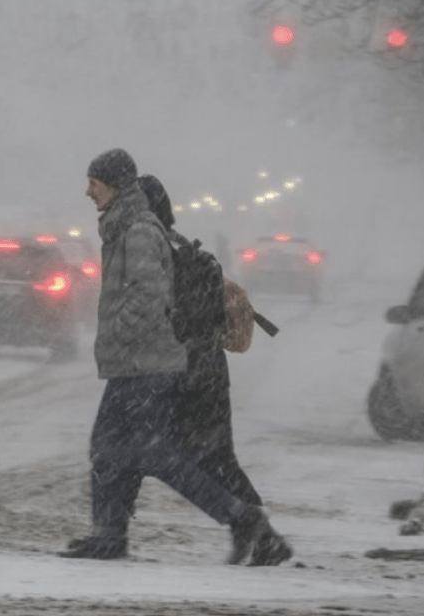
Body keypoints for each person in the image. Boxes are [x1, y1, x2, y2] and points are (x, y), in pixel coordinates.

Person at [61, 148, 279, 562]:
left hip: (148, 364)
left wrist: (118, 337)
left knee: (153, 454)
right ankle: (109, 535)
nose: (88, 191)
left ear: (115, 185)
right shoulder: (123, 226)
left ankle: (243, 520)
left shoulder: (139, 230)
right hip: (137, 363)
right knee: (111, 448)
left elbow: (147, 298)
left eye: (94, 182)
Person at [131, 174, 293, 566]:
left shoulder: (160, 253)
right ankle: (254, 532)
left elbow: (165, 318)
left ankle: (258, 533)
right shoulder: (177, 246)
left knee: (178, 456)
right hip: (205, 370)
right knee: (212, 458)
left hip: (184, 372)